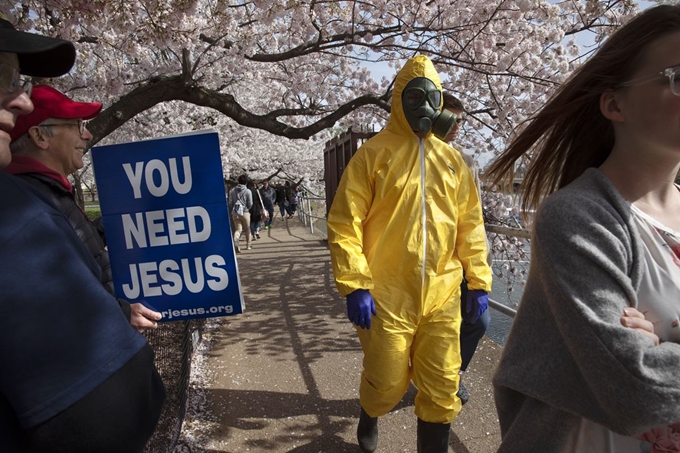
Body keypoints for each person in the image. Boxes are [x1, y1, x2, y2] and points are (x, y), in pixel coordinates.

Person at [485, 5, 680, 451]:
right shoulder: (578, 217)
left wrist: (661, 348)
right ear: (614, 104)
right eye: (679, 77)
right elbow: (636, 392)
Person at [0, 14, 165, 452]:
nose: (87, 134)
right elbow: (107, 413)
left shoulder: (47, 198)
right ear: (39, 136)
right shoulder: (20, 216)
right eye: (3, 77)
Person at [327, 54, 492, 453]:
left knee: (442, 385)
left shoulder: (453, 161)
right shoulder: (372, 155)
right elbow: (344, 222)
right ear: (400, 99)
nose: (424, 108)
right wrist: (354, 285)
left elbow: (471, 226)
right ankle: (371, 412)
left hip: (443, 294)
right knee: (384, 381)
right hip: (387, 295)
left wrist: (477, 280)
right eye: (415, 97)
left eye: (431, 98)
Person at [6, 84, 162, 333]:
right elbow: (62, 292)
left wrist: (116, 221)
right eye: (76, 125)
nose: (87, 135)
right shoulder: (31, 203)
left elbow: (77, 249)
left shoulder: (50, 192)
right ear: (40, 136)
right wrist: (121, 311)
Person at [441, 92, 493, 405]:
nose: (457, 126)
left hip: (461, 261)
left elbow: (475, 217)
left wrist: (480, 272)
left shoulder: (466, 161)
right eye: (451, 118)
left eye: (461, 120)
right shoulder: (405, 155)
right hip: (421, 265)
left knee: (478, 321)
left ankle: (453, 374)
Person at [229, 174, 253, 252]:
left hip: (235, 213)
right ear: (246, 182)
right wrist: (246, 208)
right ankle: (248, 245)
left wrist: (235, 208)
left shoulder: (232, 190)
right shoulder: (248, 191)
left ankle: (236, 240)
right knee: (247, 229)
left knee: (238, 230)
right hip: (245, 212)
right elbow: (250, 203)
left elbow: (230, 202)